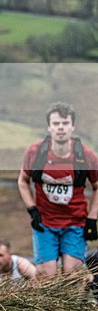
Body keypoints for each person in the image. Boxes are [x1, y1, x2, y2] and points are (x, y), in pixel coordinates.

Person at [18, 102, 98, 279]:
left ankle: (77, 304)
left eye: (65, 123)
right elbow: (23, 181)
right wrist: (32, 209)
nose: (60, 128)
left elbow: (97, 186)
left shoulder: (86, 156)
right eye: (56, 123)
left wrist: (92, 217)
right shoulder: (36, 152)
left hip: (75, 223)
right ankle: (45, 307)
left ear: (72, 126)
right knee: (47, 275)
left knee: (72, 275)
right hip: (45, 224)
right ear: (49, 127)